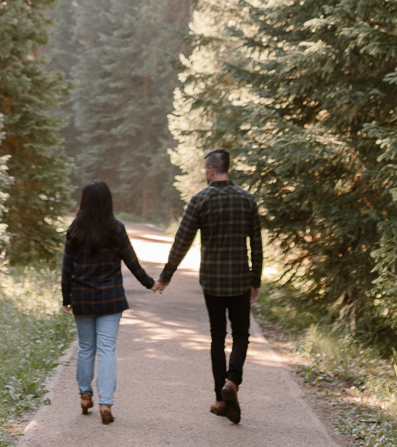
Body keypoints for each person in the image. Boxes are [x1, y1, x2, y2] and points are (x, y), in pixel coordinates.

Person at [152, 148, 262, 425]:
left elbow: (182, 240)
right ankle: (233, 382)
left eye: (205, 169)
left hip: (212, 281)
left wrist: (166, 276)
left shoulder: (200, 200)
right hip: (239, 279)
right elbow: (257, 245)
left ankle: (220, 398)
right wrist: (255, 280)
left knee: (217, 336)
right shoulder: (247, 200)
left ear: (211, 170)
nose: (205, 173)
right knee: (240, 335)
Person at [61, 180, 155, 425]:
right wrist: (150, 283)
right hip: (110, 298)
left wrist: (66, 297)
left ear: (84, 201)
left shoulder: (74, 230)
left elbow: (66, 269)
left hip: (82, 298)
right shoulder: (116, 229)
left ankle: (84, 395)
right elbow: (132, 262)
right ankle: (105, 403)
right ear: (107, 201)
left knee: (85, 348)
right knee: (106, 350)